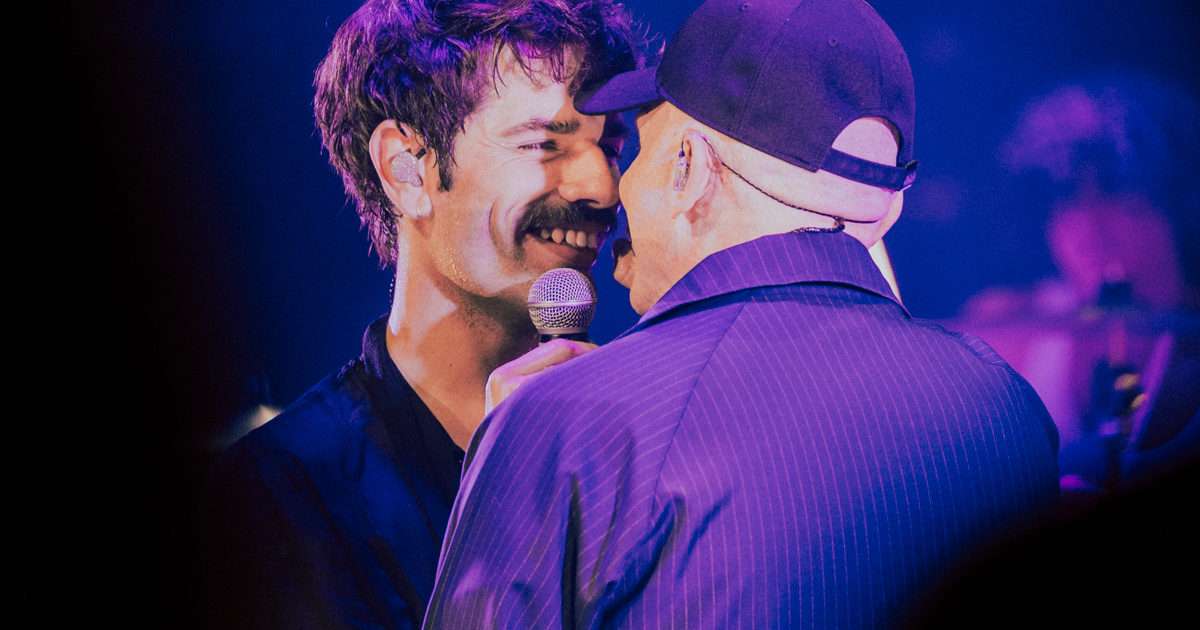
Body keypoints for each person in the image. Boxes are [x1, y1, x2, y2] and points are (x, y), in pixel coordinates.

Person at [423, 0, 1060, 627]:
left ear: (690, 168)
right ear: (886, 207)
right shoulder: (1008, 407)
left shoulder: (571, 424)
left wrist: (515, 458)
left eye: (638, 148)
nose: (613, 191)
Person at [198, 1, 640, 628]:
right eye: (545, 143)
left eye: (611, 147)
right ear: (406, 169)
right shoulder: (283, 491)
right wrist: (507, 508)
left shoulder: (644, 430)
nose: (602, 187)